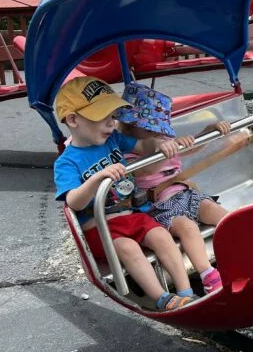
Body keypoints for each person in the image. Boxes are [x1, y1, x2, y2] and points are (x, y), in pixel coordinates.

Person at [53, 77, 199, 312]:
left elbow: (142, 147)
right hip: (101, 229)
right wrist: (98, 178)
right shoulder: (66, 163)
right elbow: (74, 202)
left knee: (161, 235)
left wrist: (157, 144)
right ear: (73, 119)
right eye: (103, 117)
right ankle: (162, 299)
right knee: (128, 248)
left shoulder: (113, 140)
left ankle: (186, 292)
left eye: (113, 116)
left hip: (130, 214)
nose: (112, 123)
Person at [115, 82, 230, 295]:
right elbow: (147, 170)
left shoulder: (164, 141)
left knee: (225, 217)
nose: (156, 132)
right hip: (158, 206)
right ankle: (208, 276)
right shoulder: (127, 155)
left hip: (185, 193)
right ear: (129, 127)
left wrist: (209, 130)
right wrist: (163, 148)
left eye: (158, 128)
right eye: (148, 127)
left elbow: (193, 147)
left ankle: (239, 257)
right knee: (187, 228)